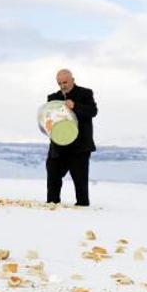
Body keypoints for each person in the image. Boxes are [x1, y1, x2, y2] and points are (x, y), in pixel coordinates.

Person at [45, 68, 98, 206]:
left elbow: (93, 111)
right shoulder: (52, 98)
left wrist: (75, 106)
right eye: (60, 83)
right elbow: (47, 118)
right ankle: (52, 206)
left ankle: (82, 208)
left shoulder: (85, 93)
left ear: (72, 80)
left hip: (79, 147)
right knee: (52, 176)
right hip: (58, 147)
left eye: (65, 82)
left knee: (80, 183)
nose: (63, 86)